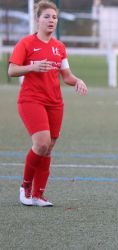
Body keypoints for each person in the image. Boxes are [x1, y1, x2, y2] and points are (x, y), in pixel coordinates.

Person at [8, 0, 88, 207]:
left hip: (55, 103)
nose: (51, 20)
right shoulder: (26, 43)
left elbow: (67, 76)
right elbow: (12, 70)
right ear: (37, 20)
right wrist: (32, 67)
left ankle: (38, 195)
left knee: (48, 148)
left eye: (54, 17)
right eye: (46, 16)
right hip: (31, 100)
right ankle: (25, 187)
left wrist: (77, 81)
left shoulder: (59, 47)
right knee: (41, 143)